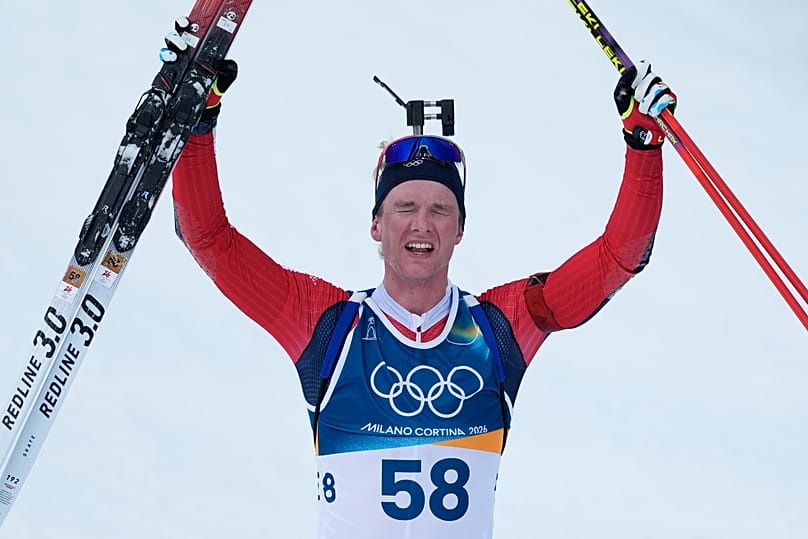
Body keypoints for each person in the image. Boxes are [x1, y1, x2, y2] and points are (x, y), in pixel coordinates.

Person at [165, 18, 676, 539]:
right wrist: (197, 125)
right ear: (376, 224)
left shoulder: (502, 327)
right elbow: (209, 240)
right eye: (404, 205)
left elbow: (618, 258)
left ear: (460, 229)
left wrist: (642, 148)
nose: (421, 223)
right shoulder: (325, 325)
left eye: (440, 209)